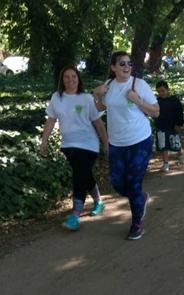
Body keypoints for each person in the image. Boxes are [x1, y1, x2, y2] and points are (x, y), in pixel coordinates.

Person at [93, 51, 160, 240]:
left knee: (133, 182)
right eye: (122, 63)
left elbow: (156, 112)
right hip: (117, 144)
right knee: (118, 184)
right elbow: (100, 108)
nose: (127, 67)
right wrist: (96, 96)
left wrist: (137, 100)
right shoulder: (108, 86)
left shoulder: (139, 85)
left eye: (129, 63)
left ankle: (136, 223)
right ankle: (141, 198)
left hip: (140, 141)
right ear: (113, 67)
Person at [40, 66, 108, 231]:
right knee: (84, 173)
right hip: (68, 145)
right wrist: (44, 140)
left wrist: (106, 143)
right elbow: (51, 120)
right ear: (62, 80)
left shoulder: (87, 98)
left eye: (74, 77)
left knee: (79, 174)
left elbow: (98, 123)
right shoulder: (57, 97)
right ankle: (99, 201)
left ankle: (76, 214)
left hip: (88, 144)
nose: (70, 80)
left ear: (78, 79)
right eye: (66, 77)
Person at [154, 81, 184, 172]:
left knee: (175, 143)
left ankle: (181, 153)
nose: (161, 93)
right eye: (159, 92)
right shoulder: (157, 101)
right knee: (163, 145)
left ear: (167, 90)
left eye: (163, 91)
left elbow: (179, 113)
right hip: (161, 126)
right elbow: (154, 113)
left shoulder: (174, 100)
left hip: (173, 126)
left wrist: (179, 124)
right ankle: (166, 163)